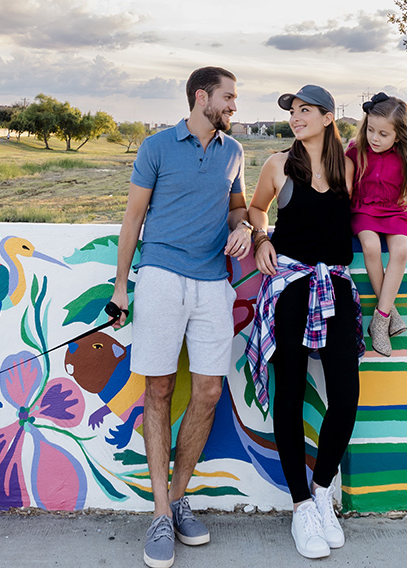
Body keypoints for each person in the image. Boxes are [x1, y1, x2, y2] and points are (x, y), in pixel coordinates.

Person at [112, 66, 253, 568]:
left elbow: (238, 210)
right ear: (201, 97)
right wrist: (121, 287)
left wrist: (245, 230)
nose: (234, 106)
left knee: (209, 391)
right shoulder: (156, 147)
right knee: (159, 390)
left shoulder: (234, 152)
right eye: (228, 97)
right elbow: (133, 218)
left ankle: (176, 500)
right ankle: (158, 514)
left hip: (213, 281)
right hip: (160, 276)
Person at [242, 85, 360, 560]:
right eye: (293, 111)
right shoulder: (277, 164)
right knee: (289, 395)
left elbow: (385, 209)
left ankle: (322, 491)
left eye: (305, 110)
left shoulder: (350, 168)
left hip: (336, 288)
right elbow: (256, 208)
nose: (296, 117)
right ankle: (301, 507)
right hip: (289, 287)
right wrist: (261, 238)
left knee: (345, 395)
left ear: (329, 117)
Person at [347, 93, 407, 356]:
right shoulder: (355, 150)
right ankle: (388, 313)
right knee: (370, 246)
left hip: (394, 211)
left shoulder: (406, 155)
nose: (374, 138)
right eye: (370, 130)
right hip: (363, 210)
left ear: (399, 136)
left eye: (383, 134)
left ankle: (380, 320)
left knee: (401, 250)